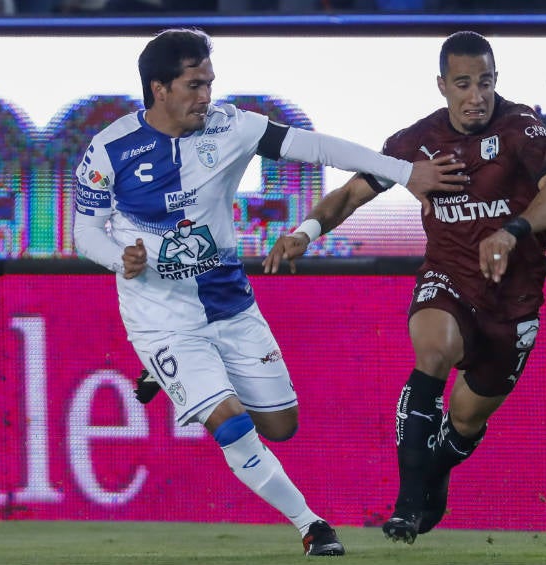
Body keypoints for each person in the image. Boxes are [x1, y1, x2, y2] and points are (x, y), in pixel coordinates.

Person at [72, 28, 466, 556]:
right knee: (230, 421)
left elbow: (319, 147)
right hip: (160, 315)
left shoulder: (231, 127)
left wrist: (402, 171)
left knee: (282, 426)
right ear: (158, 88)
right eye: (194, 85)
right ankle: (311, 525)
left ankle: (169, 377)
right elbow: (85, 230)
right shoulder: (109, 148)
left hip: (229, 301)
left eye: (209, 83)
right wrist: (118, 258)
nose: (206, 96)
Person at [263, 31, 546, 544]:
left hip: (514, 300)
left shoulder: (523, 128)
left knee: (466, 421)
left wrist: (511, 230)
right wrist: (304, 233)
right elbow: (350, 194)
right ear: (441, 86)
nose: (476, 96)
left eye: (485, 83)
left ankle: (435, 475)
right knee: (434, 350)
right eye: (463, 84)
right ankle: (407, 507)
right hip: (448, 278)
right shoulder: (415, 144)